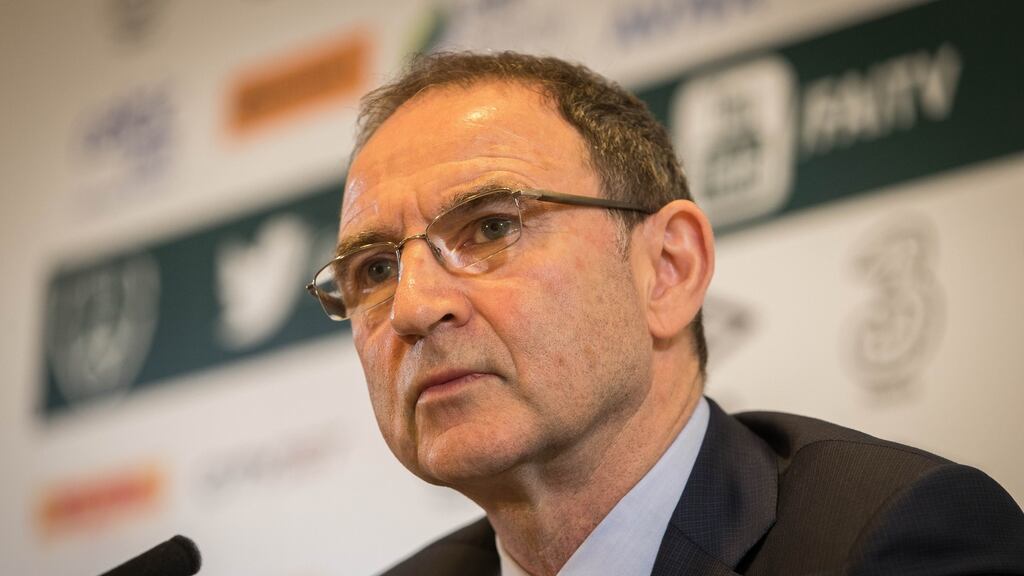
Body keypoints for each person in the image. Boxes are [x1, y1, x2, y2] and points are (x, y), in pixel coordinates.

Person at [306, 52, 1024, 576]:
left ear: (669, 270)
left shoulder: (888, 541)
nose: (413, 308)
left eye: (491, 227)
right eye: (375, 271)